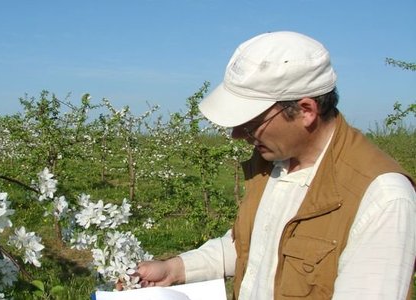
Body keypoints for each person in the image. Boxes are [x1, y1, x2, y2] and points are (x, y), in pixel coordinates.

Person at [136, 31, 416, 299]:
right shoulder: (273, 163)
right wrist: (174, 270)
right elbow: (250, 246)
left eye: (252, 123)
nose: (237, 135)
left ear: (306, 111)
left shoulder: (383, 198)